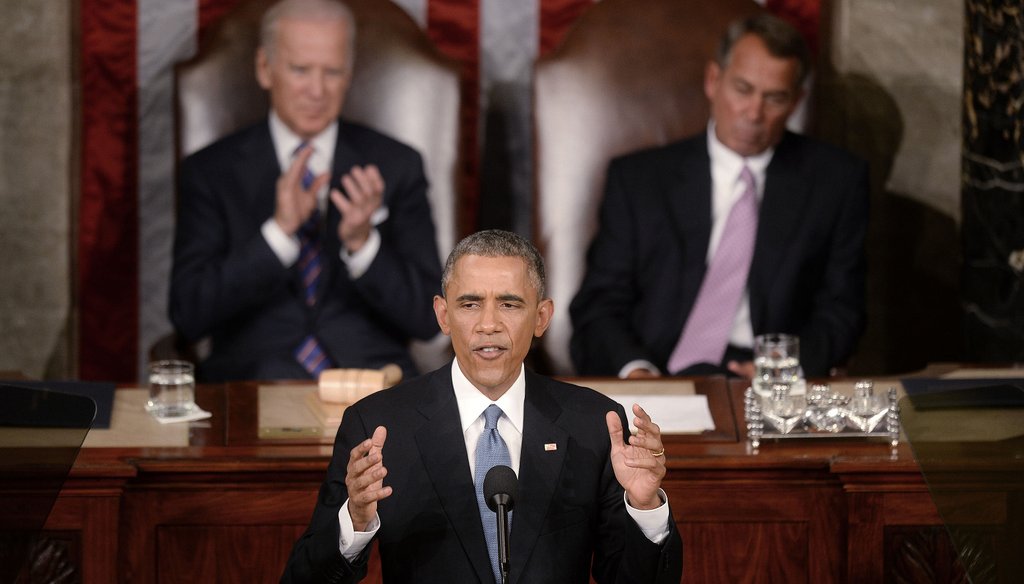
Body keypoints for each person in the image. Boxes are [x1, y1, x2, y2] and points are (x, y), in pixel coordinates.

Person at [281, 230, 683, 583]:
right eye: (470, 304)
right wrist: (355, 521)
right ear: (443, 314)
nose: (488, 323)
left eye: (509, 305)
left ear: (541, 317)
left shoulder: (596, 425)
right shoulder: (377, 427)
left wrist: (644, 507)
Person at [570, 13, 868, 379]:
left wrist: (785, 369)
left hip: (768, 380)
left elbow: (842, 310)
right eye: (743, 90)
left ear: (795, 102)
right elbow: (599, 303)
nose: (754, 113)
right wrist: (636, 371)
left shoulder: (835, 181)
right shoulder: (639, 181)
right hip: (657, 370)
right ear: (714, 81)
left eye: (774, 98)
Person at [169, 0, 441, 382]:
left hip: (371, 388)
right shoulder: (212, 171)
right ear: (265, 69)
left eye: (332, 72)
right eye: (300, 70)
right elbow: (188, 313)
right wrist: (277, 235)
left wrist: (364, 246)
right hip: (254, 386)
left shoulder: (397, 165)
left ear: (349, 75)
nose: (317, 90)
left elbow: (430, 319)